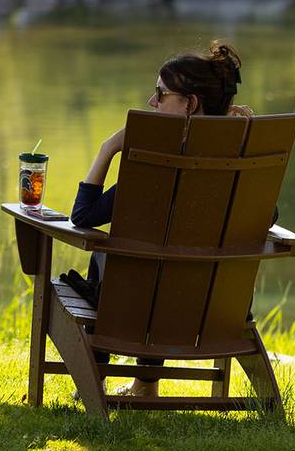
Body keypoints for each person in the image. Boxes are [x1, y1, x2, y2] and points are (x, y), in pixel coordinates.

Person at [69, 40, 253, 396]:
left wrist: (110, 147)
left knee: (112, 257)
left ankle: (105, 377)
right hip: (217, 311)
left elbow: (83, 216)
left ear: (191, 104)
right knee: (156, 264)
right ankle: (145, 385)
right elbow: (267, 215)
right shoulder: (239, 166)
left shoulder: (156, 164)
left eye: (161, 94)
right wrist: (242, 144)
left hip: (137, 313)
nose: (151, 102)